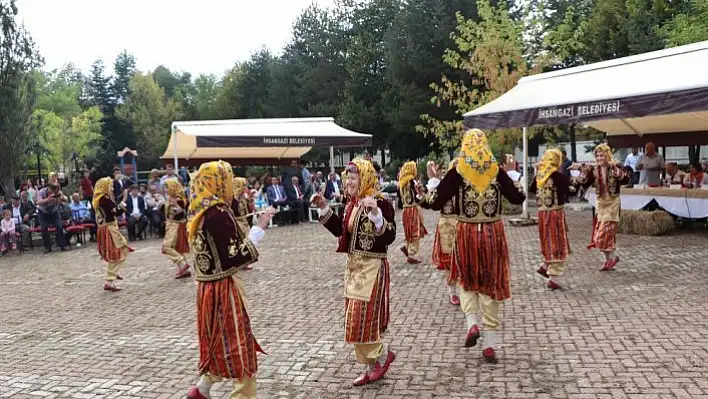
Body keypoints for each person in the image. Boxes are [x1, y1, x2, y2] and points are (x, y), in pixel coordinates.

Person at [425, 129, 526, 363]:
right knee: (491, 284)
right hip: (493, 232)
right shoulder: (496, 171)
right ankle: (490, 344)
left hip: (467, 232)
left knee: (465, 280)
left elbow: (435, 201)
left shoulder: (458, 170)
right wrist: (514, 176)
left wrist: (428, 187)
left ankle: (472, 323)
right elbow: (518, 198)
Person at [185, 161, 275, 399]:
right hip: (224, 289)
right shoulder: (218, 213)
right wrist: (260, 228)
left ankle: (203, 387)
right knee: (239, 344)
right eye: (226, 179)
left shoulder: (198, 210)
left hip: (206, 289)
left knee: (218, 338)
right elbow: (234, 257)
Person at [312, 158, 397, 386]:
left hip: (371, 268)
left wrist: (377, 216)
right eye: (347, 177)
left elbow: (390, 236)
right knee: (355, 321)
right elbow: (341, 230)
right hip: (353, 269)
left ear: (365, 178)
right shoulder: (352, 204)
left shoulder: (381, 202)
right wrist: (323, 207)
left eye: (353, 177)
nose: (348, 181)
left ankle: (381, 356)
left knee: (361, 320)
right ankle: (371, 367)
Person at [577, 143, 630, 271]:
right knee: (605, 234)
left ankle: (612, 258)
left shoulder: (615, 166)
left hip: (613, 202)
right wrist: (582, 173)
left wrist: (616, 169)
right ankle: (609, 260)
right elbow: (584, 184)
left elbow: (626, 180)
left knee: (604, 233)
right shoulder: (594, 169)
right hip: (601, 203)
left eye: (602, 155)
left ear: (607, 155)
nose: (600, 158)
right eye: (598, 156)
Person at [529, 149, 572, 290]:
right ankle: (553, 277)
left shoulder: (540, 176)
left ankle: (545, 265)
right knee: (557, 243)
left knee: (547, 241)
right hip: (555, 214)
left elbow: (532, 189)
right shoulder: (556, 176)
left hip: (542, 214)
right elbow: (570, 189)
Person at [419, 160, 460, 305]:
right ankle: (452, 291)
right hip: (447, 226)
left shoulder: (468, 187)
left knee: (465, 258)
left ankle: (467, 290)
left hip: (464, 226)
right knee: (449, 260)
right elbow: (430, 203)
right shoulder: (444, 187)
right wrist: (430, 186)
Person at [93, 177, 133, 292]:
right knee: (117, 253)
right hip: (109, 229)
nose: (112, 187)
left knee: (121, 251)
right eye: (110, 185)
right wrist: (124, 199)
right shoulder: (104, 199)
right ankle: (110, 280)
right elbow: (115, 212)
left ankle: (113, 274)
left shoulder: (99, 199)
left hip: (106, 228)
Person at [397, 161, 427, 264]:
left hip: (405, 210)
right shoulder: (412, 181)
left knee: (409, 230)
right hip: (413, 209)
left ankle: (406, 246)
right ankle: (411, 253)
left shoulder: (402, 182)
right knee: (416, 231)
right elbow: (418, 196)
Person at [162, 180, 191, 279]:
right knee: (178, 248)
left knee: (167, 246)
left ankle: (182, 263)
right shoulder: (170, 198)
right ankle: (184, 270)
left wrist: (176, 205)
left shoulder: (178, 199)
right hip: (171, 225)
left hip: (176, 226)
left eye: (167, 187)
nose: (165, 189)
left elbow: (182, 213)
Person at [35, 183, 69, 253]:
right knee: (44, 228)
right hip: (43, 212)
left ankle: (62, 245)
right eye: (53, 191)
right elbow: (38, 202)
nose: (54, 193)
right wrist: (47, 199)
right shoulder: (41, 192)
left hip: (54, 212)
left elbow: (66, 199)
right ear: (49, 188)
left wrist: (62, 198)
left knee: (59, 226)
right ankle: (47, 247)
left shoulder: (58, 192)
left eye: (56, 191)